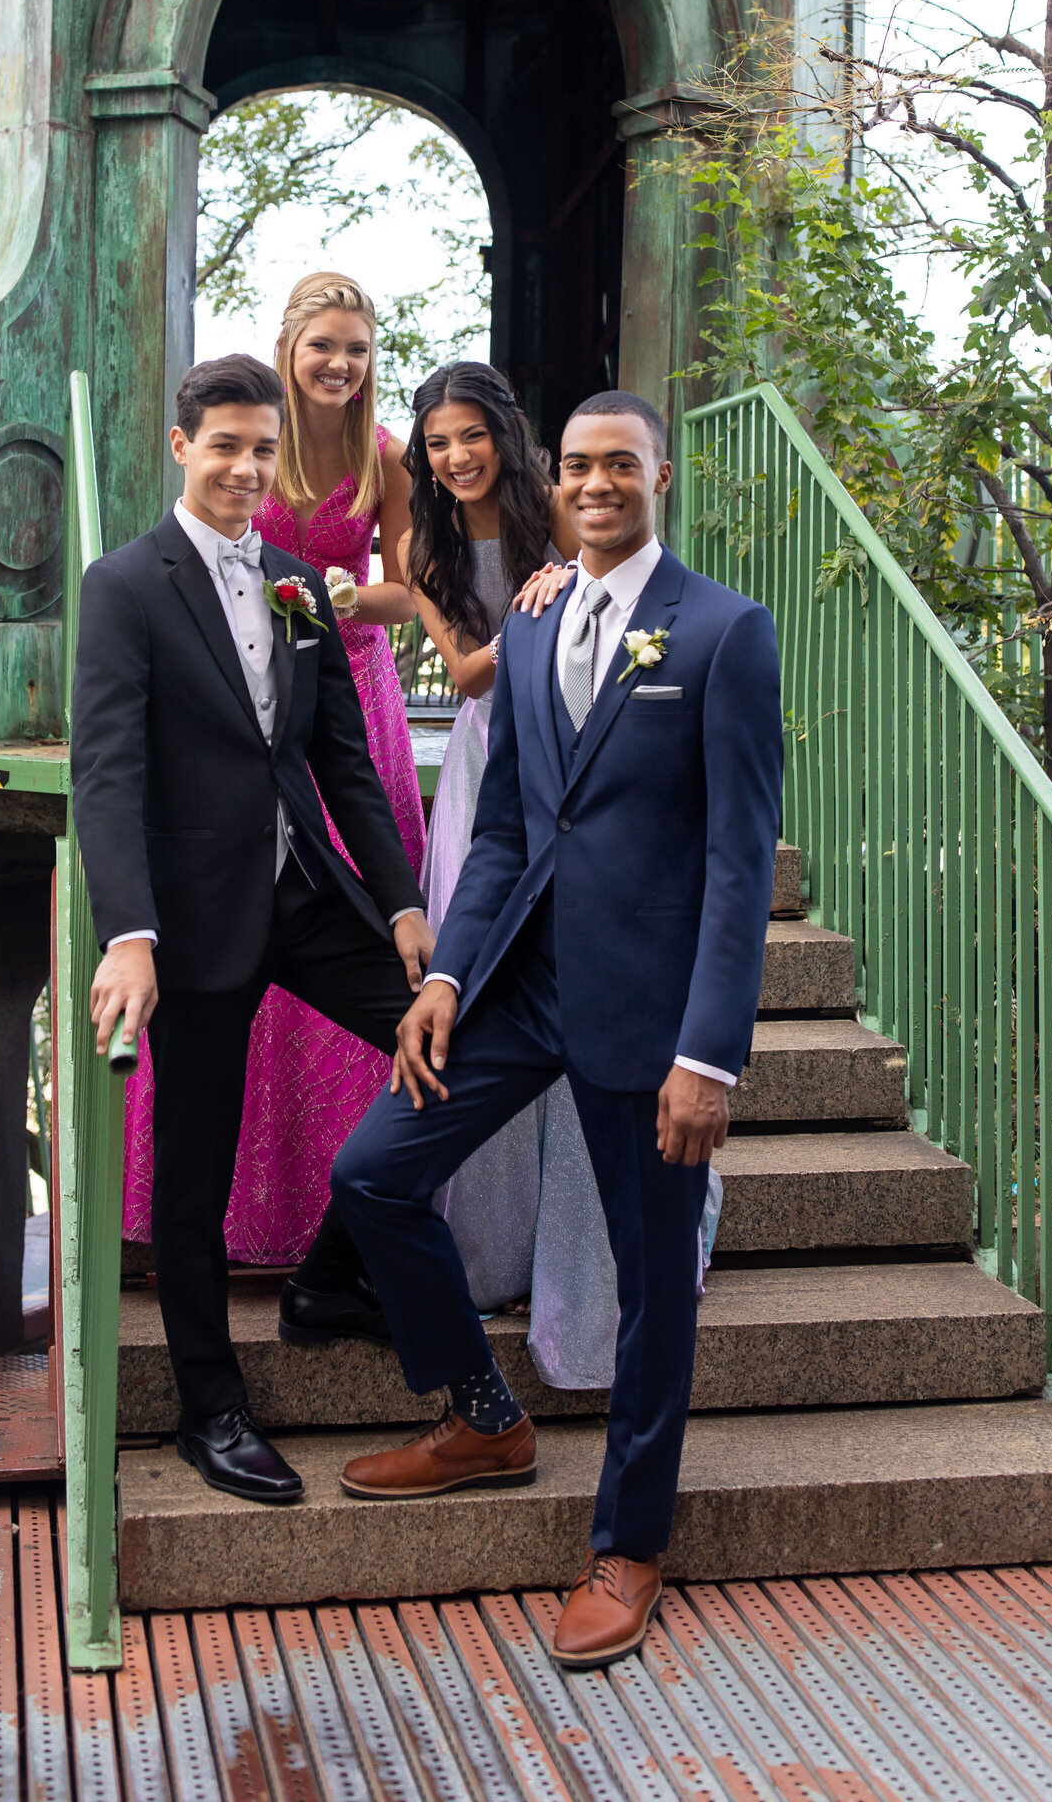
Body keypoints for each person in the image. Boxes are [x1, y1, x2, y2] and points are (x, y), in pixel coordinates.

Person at [331, 391, 783, 1671]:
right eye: (578, 465)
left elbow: (740, 865)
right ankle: (482, 1412)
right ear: (558, 474)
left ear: (661, 477)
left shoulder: (722, 632)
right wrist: (446, 977)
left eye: (619, 466)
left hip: (647, 1016)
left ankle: (628, 1545)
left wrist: (710, 1055)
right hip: (519, 984)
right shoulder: (529, 626)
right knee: (371, 1174)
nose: (596, 484)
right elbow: (514, 831)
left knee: (653, 1292)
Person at [72, 355, 434, 1505]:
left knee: (458, 1042)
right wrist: (128, 932)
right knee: (194, 1173)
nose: (244, 467)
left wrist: (402, 901)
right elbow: (107, 772)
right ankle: (209, 1406)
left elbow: (338, 763)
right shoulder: (124, 584)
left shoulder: (297, 584)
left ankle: (332, 1270)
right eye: (224, 445)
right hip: (189, 920)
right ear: (181, 447)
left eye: (261, 450)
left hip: (307, 896)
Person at [120, 274, 424, 1272]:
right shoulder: (254, 449)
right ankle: (248, 1213)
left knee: (361, 975)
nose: (340, 364)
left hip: (352, 699)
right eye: (321, 346)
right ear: (289, 351)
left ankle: (346, 1219)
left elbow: (407, 590)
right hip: (241, 728)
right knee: (245, 978)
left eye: (357, 348)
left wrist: (355, 594)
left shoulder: (385, 455)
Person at [400, 363, 617, 1384]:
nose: (455, 458)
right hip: (485, 756)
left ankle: (582, 1244)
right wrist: (544, 607)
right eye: (437, 443)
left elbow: (614, 606)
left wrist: (571, 581)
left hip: (562, 742)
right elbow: (466, 670)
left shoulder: (566, 511)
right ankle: (493, 1246)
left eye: (468, 437)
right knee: (478, 986)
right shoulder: (422, 541)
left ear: (500, 432)